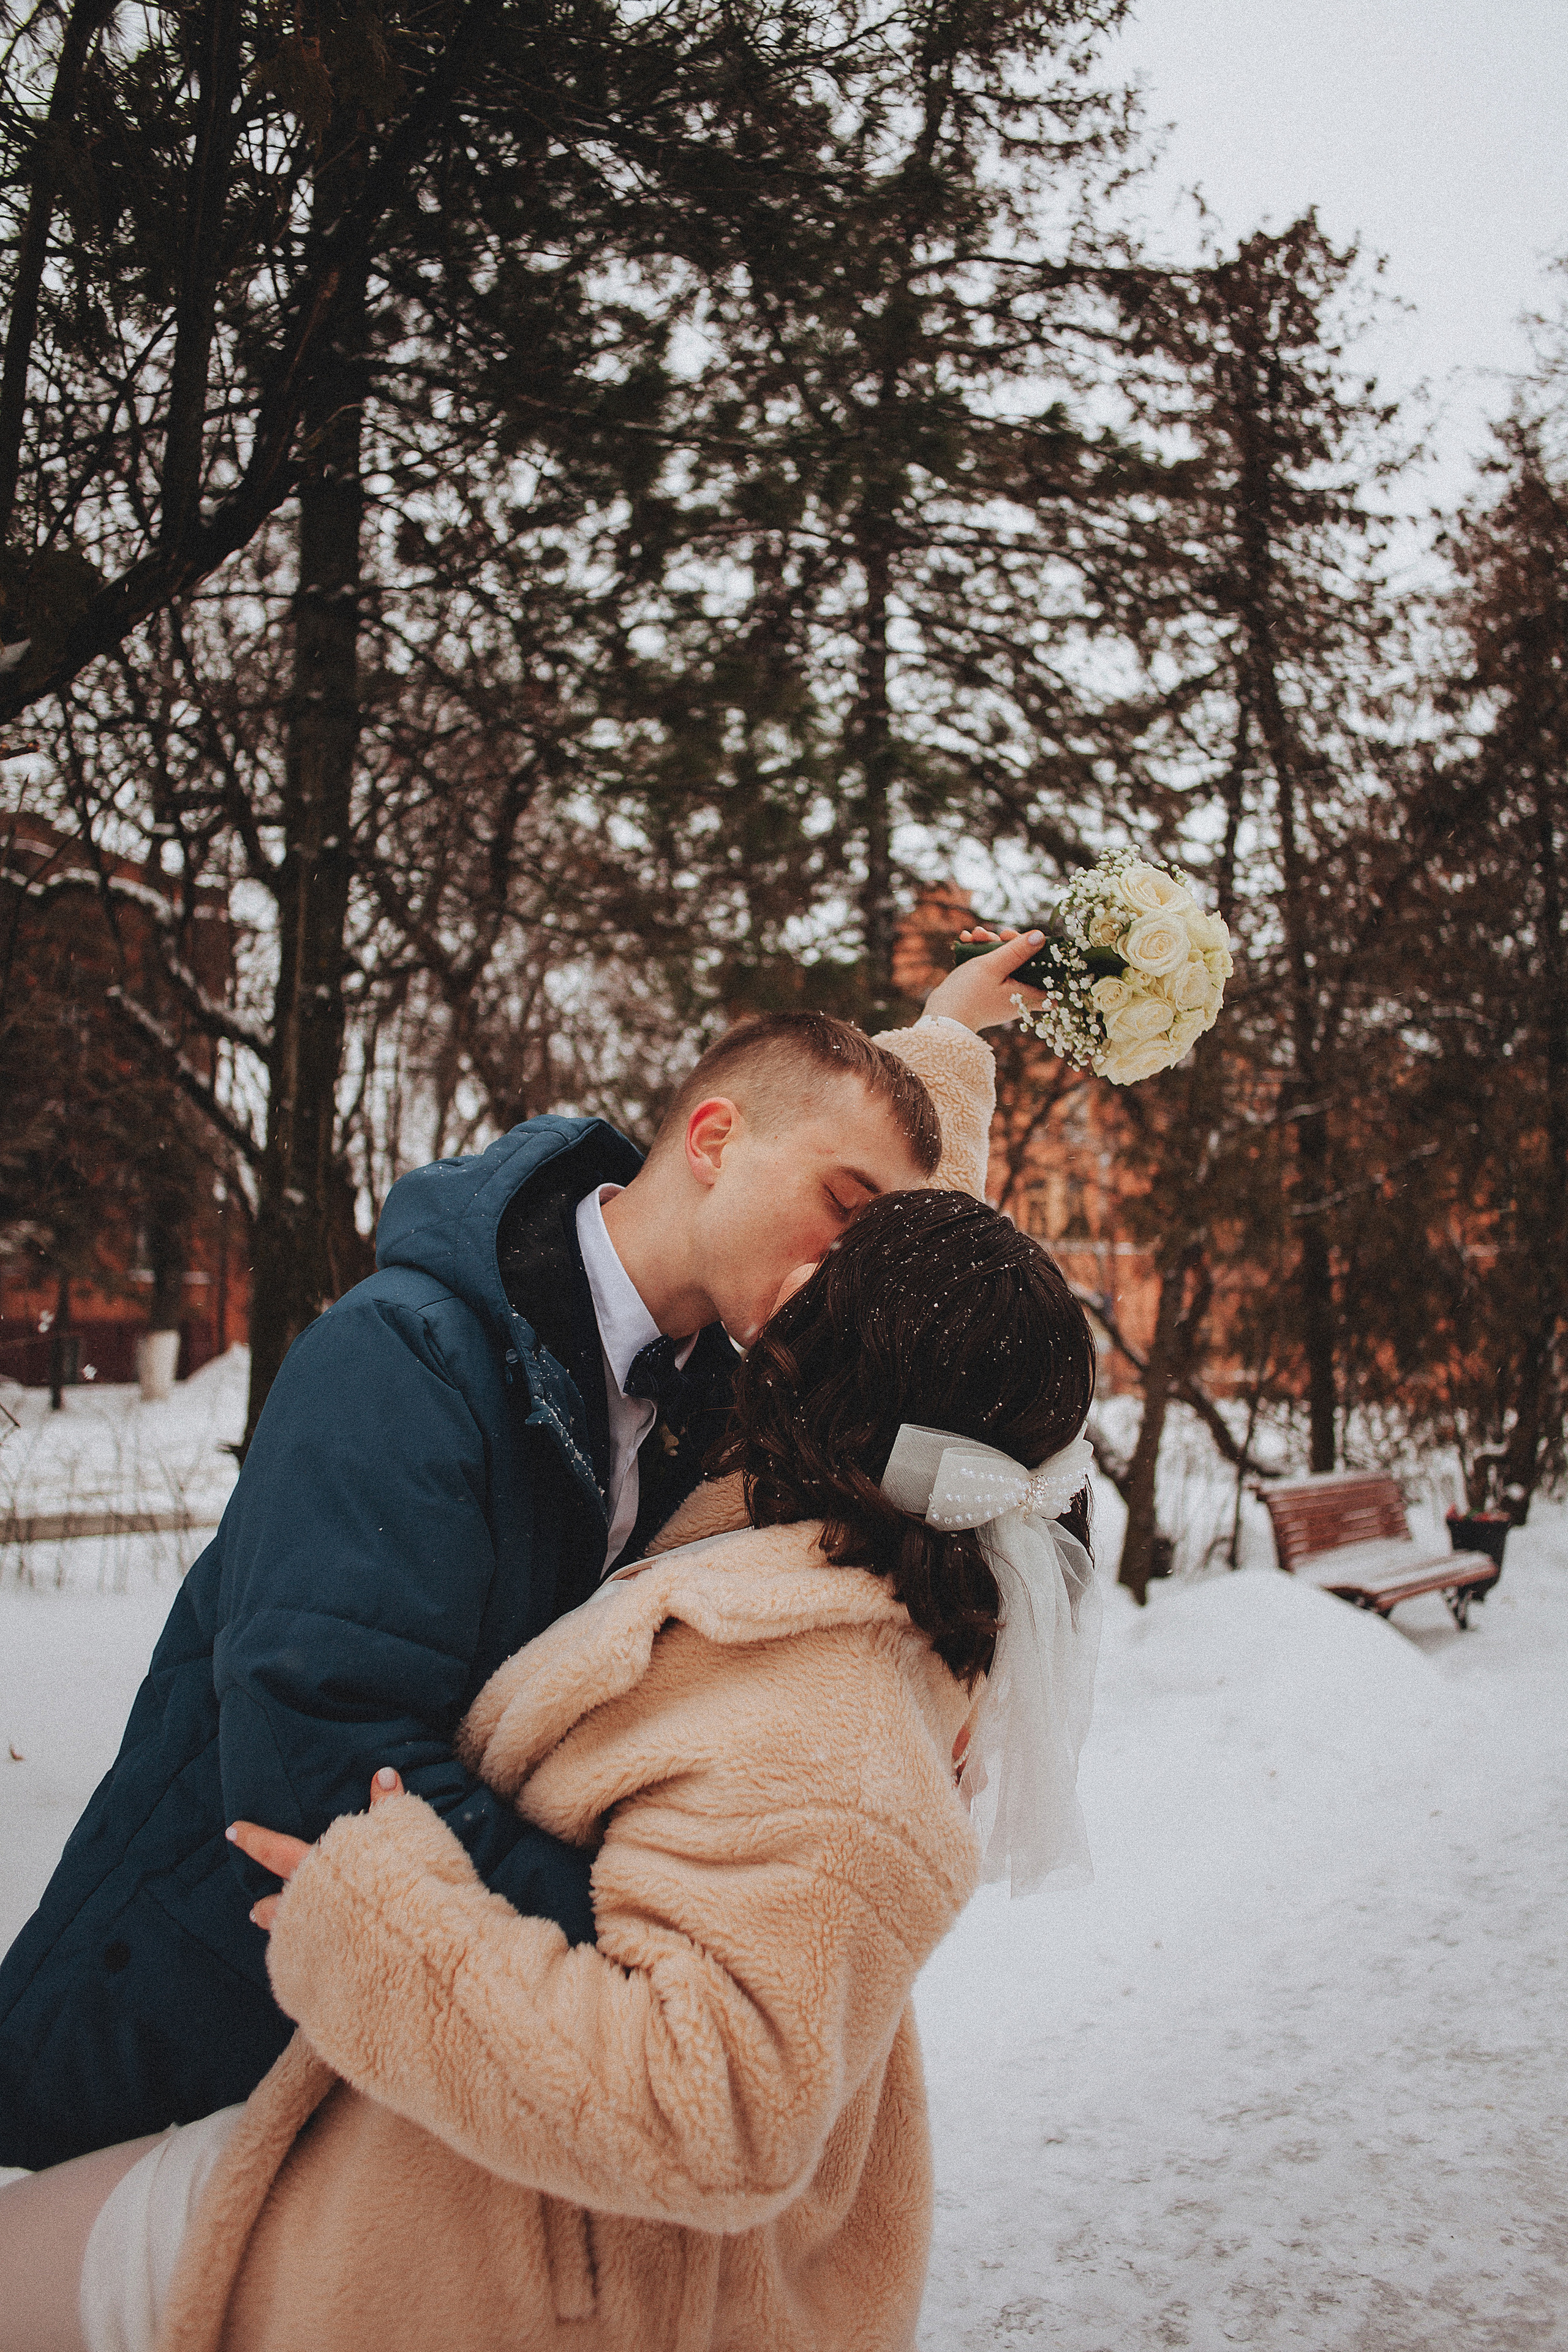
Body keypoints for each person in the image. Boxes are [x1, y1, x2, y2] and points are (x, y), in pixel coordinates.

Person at [0, 932, 1049, 2168]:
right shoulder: (403, 1356)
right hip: (185, 2034)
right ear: (714, 1142)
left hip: (417, 2078)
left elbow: (937, 1323)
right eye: (840, 1209)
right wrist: (642, 1949)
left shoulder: (721, 1399)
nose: (848, 1271)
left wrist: (950, 1038)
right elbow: (321, 1757)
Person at [0, 1181, 1100, 2352]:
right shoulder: (841, 1530)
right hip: (502, 2190)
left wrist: (380, 1919)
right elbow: (960, 1319)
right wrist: (948, 1037)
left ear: (844, 1355)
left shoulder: (835, 1719)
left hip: (553, 2273)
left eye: (827, 1272)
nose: (789, 1278)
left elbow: (714, 2112)